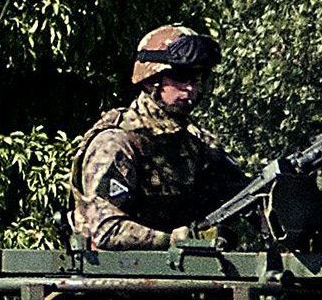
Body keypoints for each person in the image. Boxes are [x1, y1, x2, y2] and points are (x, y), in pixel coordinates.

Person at [70, 25, 251, 249]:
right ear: (150, 79)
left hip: (182, 277)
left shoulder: (197, 145)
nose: (190, 88)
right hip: (115, 278)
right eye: (181, 76)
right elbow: (105, 231)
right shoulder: (117, 143)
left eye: (198, 77)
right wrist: (177, 240)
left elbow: (246, 196)